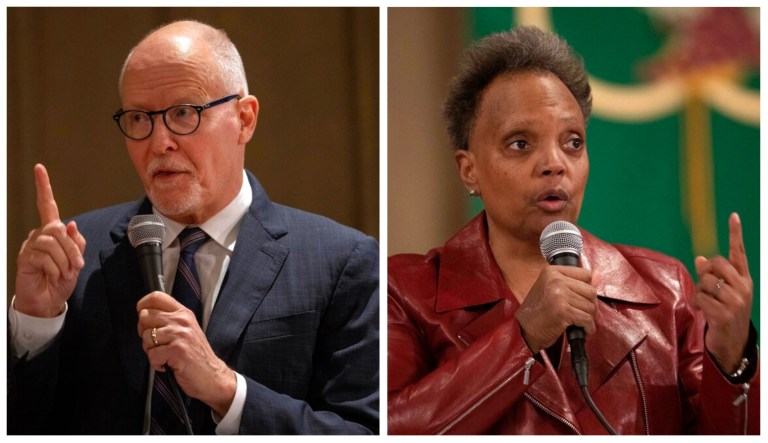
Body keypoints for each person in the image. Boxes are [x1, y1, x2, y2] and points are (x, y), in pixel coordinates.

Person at [8, 20, 379, 435]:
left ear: (245, 119)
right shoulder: (78, 254)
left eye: (184, 113)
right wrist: (35, 322)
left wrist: (225, 389)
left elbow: (360, 431)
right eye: (138, 118)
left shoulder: (341, 260)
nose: (159, 141)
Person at [387, 26, 759, 435]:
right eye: (520, 144)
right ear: (469, 169)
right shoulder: (405, 290)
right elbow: (387, 428)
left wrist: (731, 357)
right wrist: (523, 336)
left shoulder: (664, 288)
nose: (554, 163)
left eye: (573, 143)